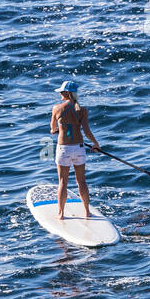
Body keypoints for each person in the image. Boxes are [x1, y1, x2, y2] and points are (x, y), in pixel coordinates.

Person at [50, 81, 101, 219]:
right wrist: (95, 143)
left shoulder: (56, 108)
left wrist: (58, 130)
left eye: (61, 92)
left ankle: (61, 214)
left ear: (67, 93)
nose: (60, 94)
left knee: (63, 182)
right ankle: (87, 212)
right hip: (79, 148)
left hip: (63, 149)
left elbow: (52, 129)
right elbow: (87, 131)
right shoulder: (82, 110)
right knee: (82, 181)